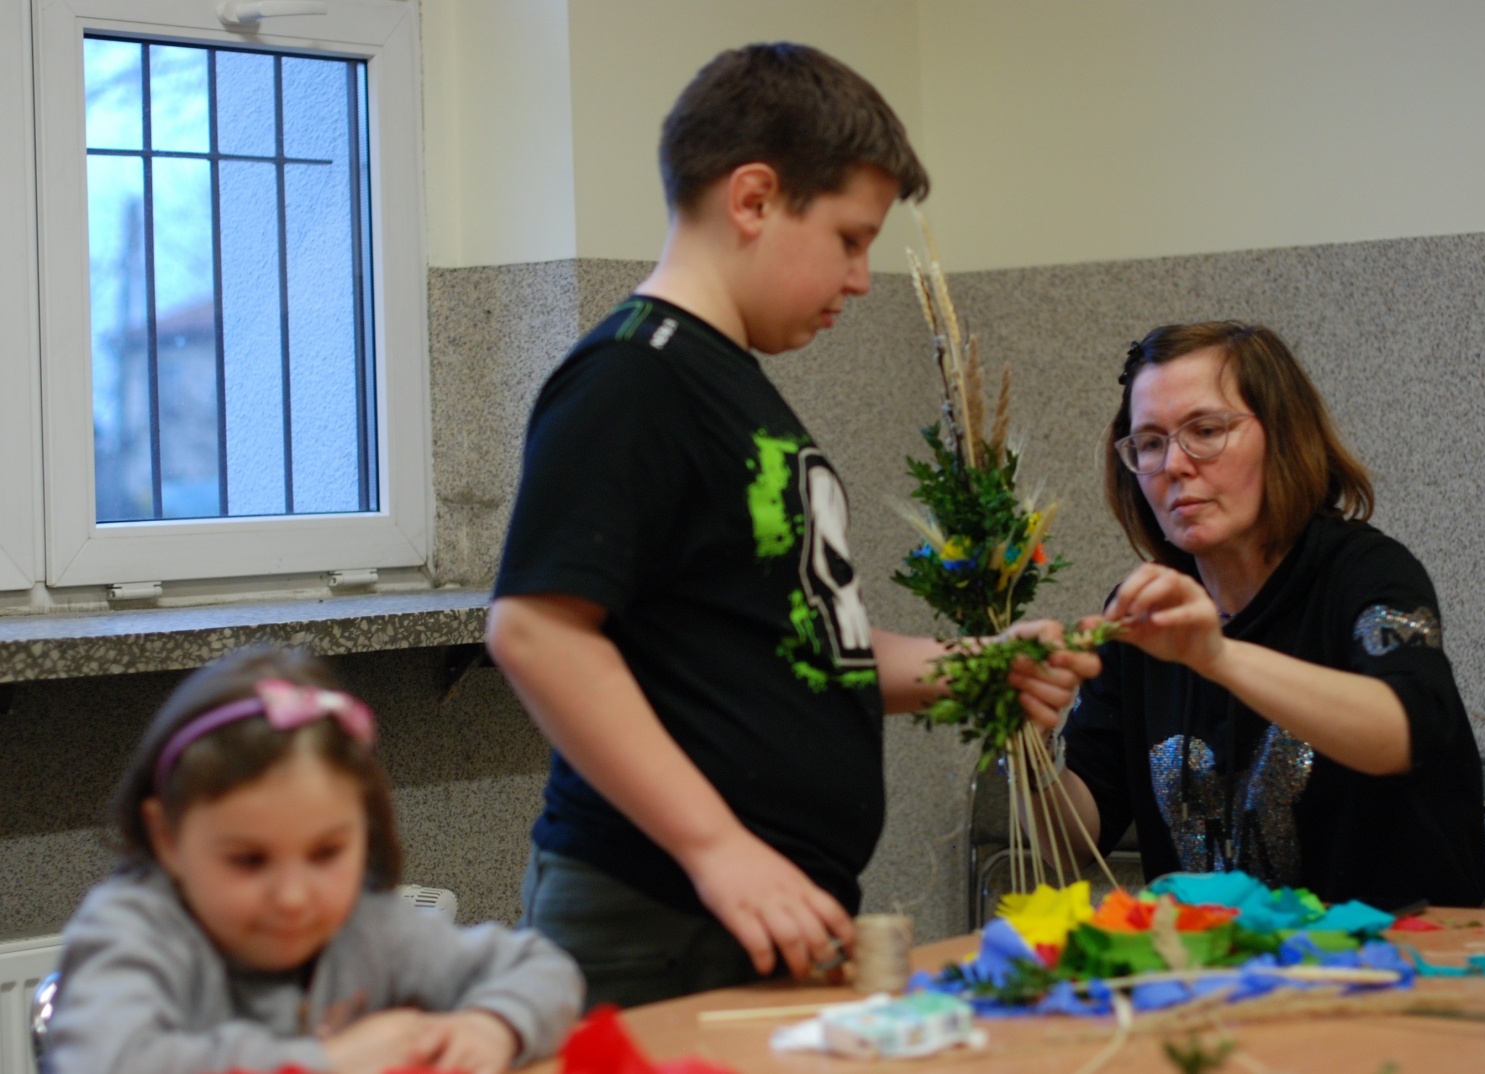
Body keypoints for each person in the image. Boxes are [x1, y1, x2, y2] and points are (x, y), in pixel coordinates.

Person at [486, 42, 1072, 1008]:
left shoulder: (733, 387)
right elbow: (537, 628)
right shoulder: (633, 377)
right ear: (753, 200)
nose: (861, 279)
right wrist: (718, 850)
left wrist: (975, 665)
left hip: (751, 910)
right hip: (655, 915)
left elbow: (796, 648)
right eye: (850, 238)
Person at [1032, 321, 1485, 910]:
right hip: (1220, 976)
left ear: (1283, 435)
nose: (1174, 464)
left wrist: (1216, 656)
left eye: (1205, 430)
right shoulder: (1145, 613)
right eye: (1149, 443)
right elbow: (1074, 844)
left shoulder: (1367, 572)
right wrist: (1030, 738)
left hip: (1390, 971)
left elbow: (1402, 732)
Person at [43, 647, 582, 1074]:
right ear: (166, 839)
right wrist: (333, 1062)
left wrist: (492, 1026)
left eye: (327, 853)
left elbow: (542, 968)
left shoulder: (369, 927)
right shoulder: (134, 932)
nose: (294, 897)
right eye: (249, 861)